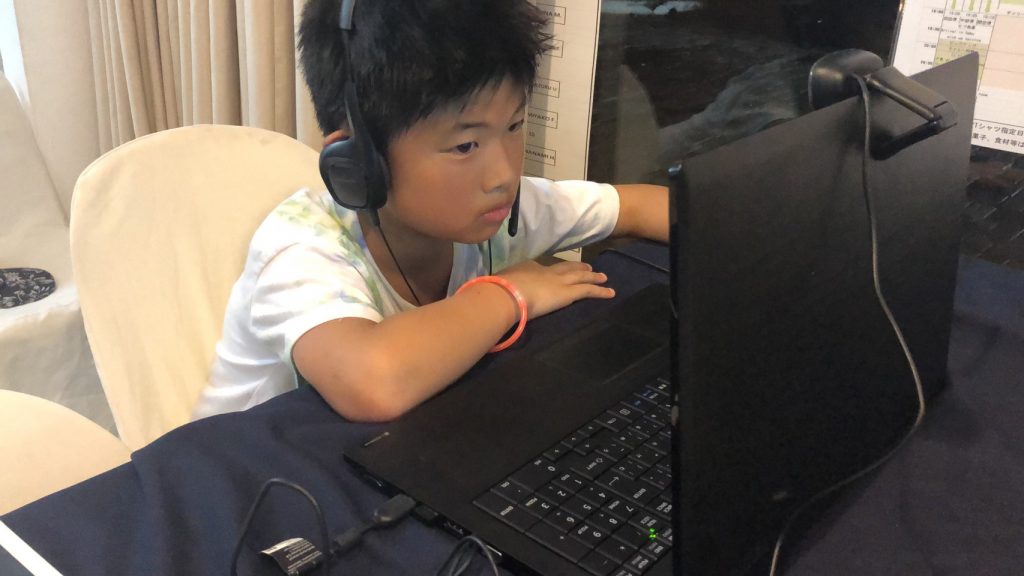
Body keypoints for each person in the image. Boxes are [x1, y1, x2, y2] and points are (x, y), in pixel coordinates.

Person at [191, 0, 669, 422]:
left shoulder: (496, 211)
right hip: (243, 476)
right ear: (359, 162)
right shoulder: (301, 249)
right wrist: (510, 293)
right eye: (465, 146)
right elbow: (374, 382)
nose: (503, 174)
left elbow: (635, 206)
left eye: (514, 125)